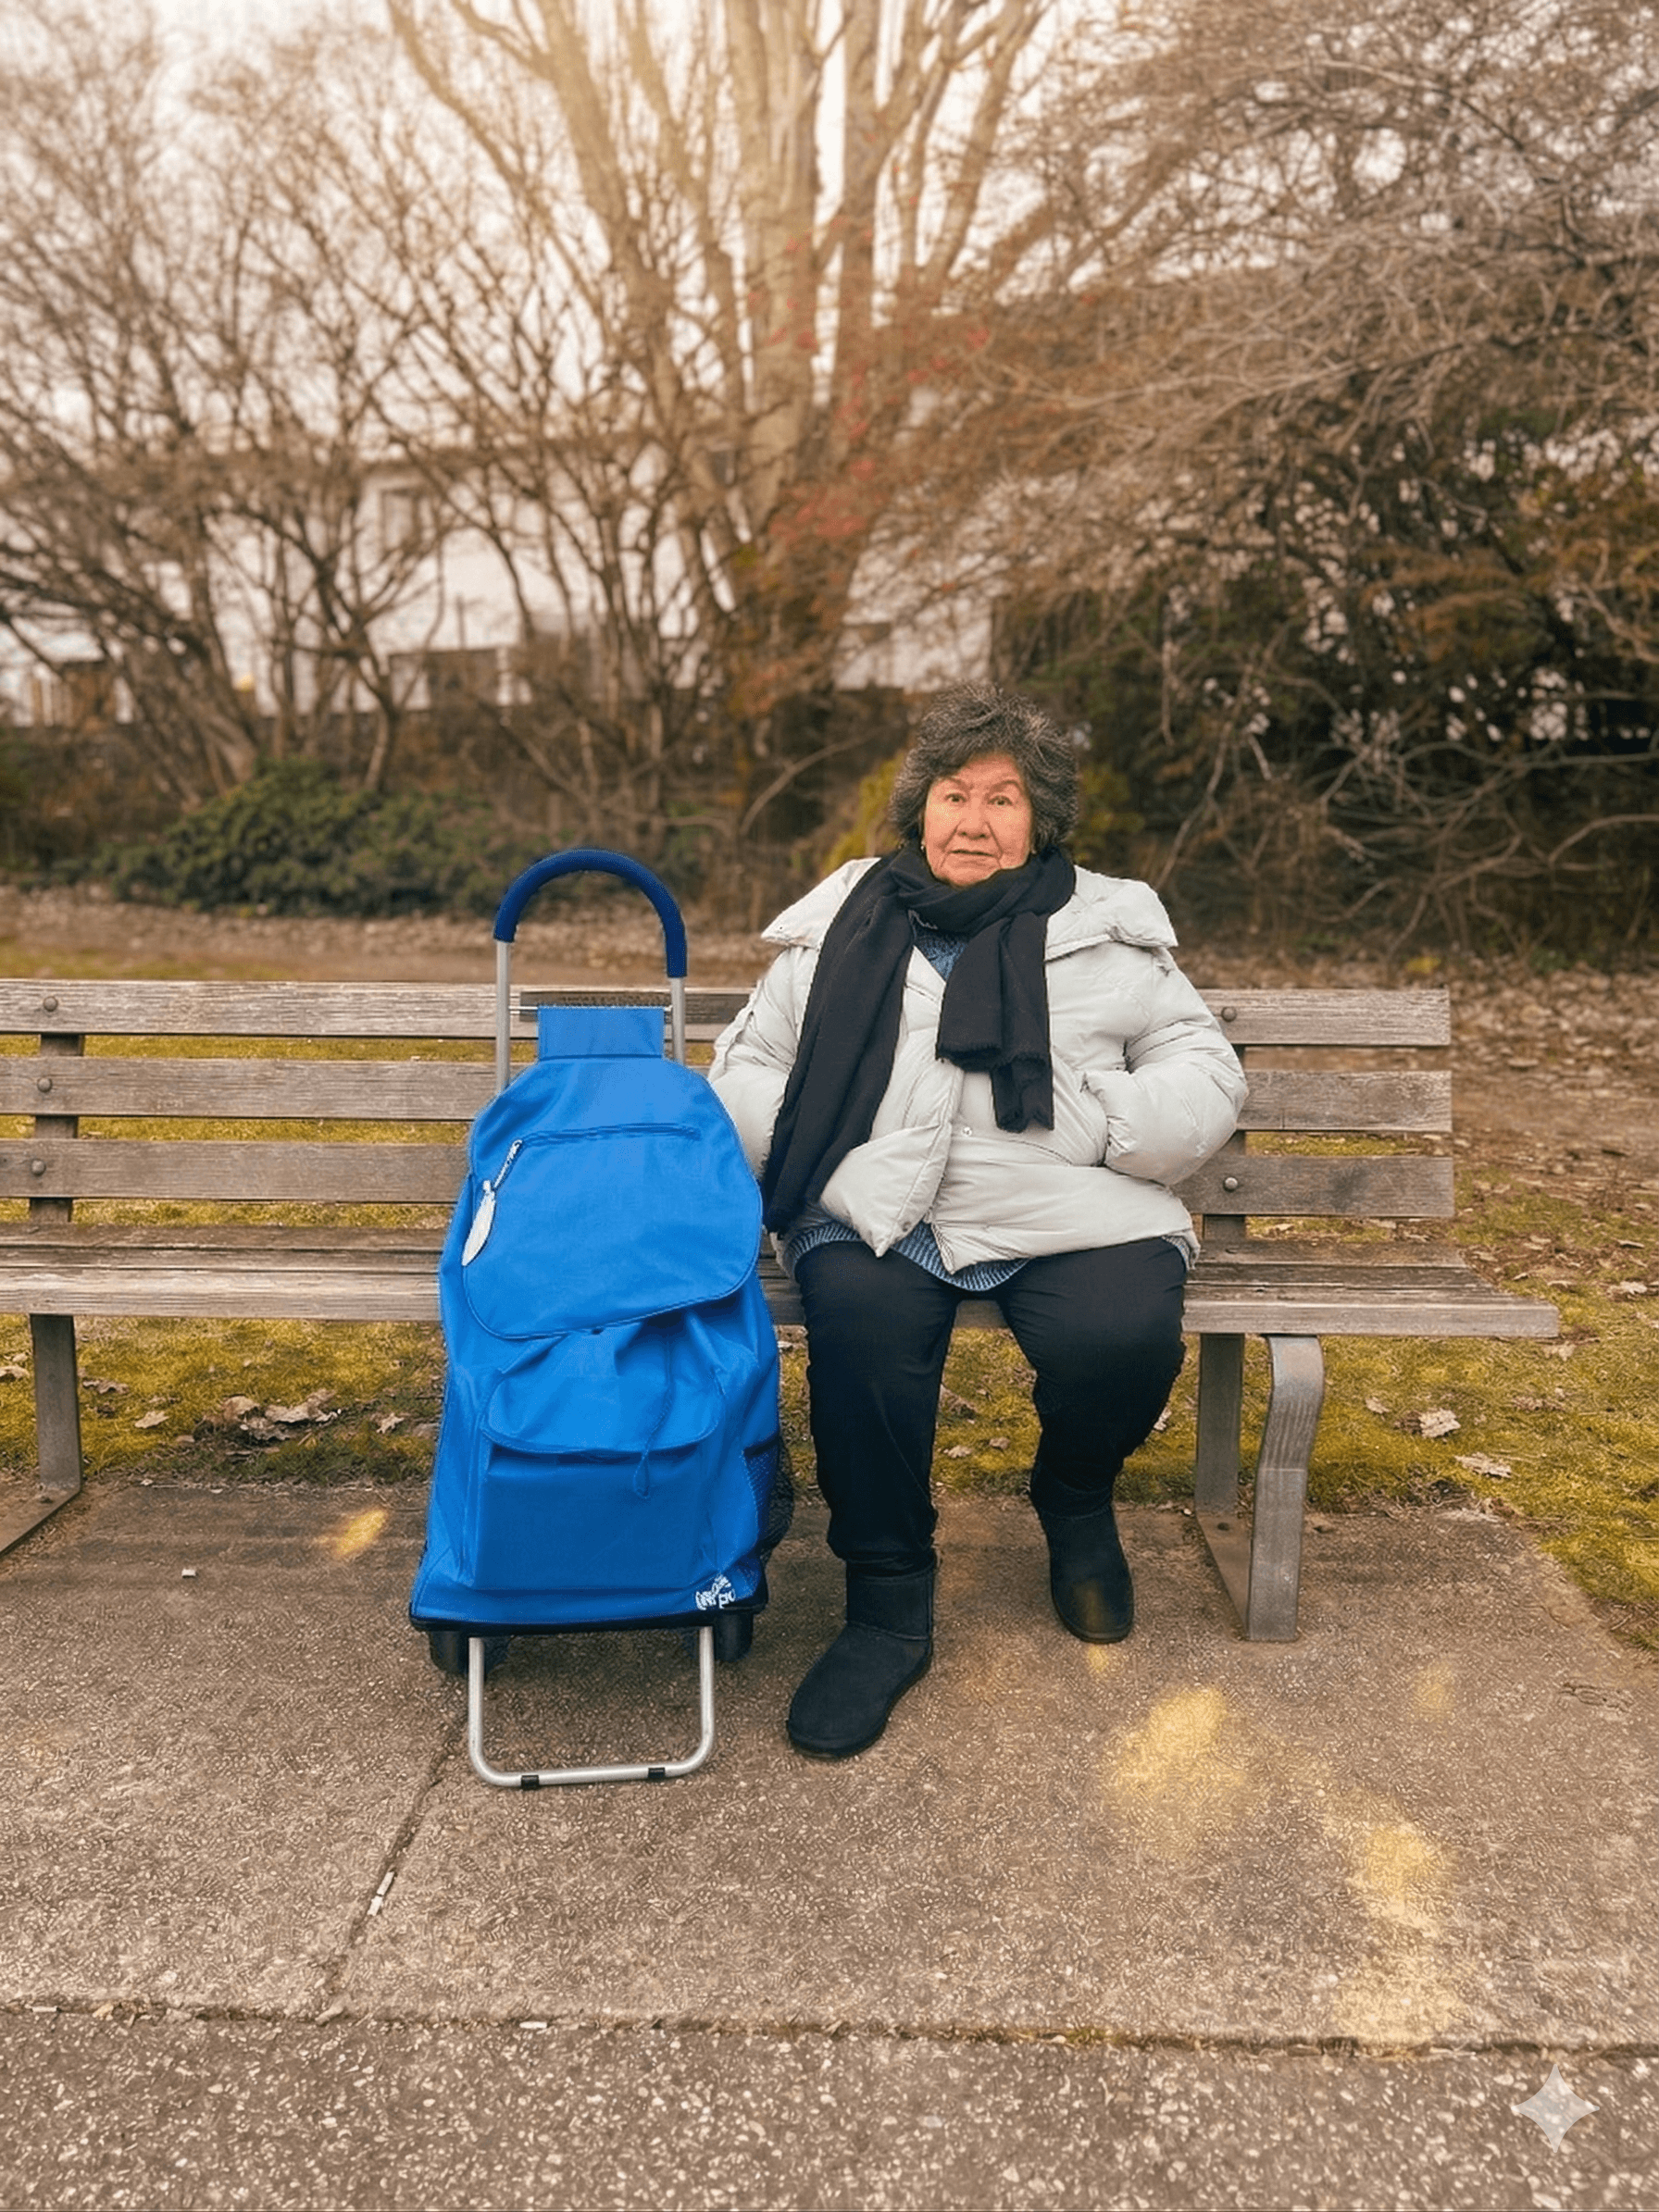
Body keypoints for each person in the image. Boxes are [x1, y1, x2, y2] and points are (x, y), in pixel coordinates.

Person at [708, 684, 1247, 1759]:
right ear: (921, 808)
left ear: (1039, 822)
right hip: (875, 1204)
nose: (974, 818)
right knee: (858, 1336)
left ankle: (1075, 1500)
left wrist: (1106, 1118)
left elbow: (1201, 1064)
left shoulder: (1104, 928)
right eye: (954, 792)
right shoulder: (839, 922)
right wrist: (832, 1163)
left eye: (1003, 798)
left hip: (1063, 1203)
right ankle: (886, 1604)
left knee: (1123, 1332)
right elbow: (747, 1065)